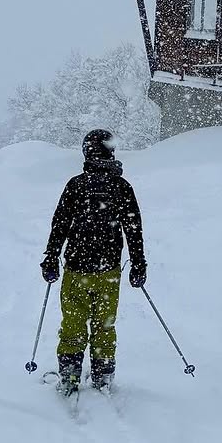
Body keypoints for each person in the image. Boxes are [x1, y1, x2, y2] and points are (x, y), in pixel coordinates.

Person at [40, 129, 146, 394]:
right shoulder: (121, 187)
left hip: (77, 268)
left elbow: (60, 224)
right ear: (111, 152)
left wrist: (51, 257)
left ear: (87, 152)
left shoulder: (76, 185)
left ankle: (70, 375)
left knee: (74, 323)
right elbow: (133, 227)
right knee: (104, 325)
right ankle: (103, 375)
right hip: (109, 271)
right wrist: (138, 263)